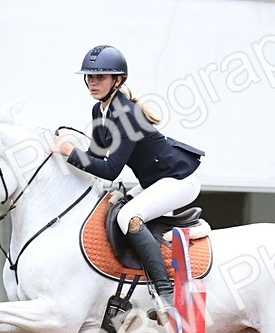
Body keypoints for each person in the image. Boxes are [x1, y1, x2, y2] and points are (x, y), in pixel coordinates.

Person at [53, 45, 204, 310]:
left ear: (118, 80)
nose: (92, 82)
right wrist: (68, 157)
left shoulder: (125, 115)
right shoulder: (99, 111)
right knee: (111, 209)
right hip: (156, 183)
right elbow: (95, 159)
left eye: (99, 77)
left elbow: (110, 169)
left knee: (128, 217)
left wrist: (69, 152)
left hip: (180, 180)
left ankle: (166, 292)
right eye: (89, 77)